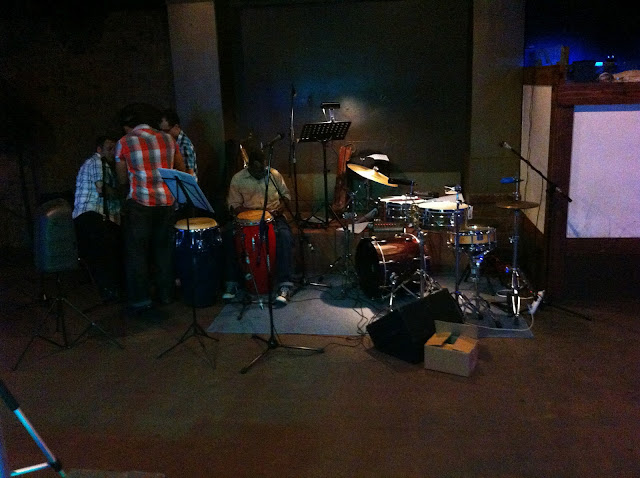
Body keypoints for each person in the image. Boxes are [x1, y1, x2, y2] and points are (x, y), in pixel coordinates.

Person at [115, 105, 186, 313]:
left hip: (140, 203)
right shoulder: (168, 139)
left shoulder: (124, 142)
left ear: (131, 125)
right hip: (166, 203)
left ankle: (141, 299)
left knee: (137, 252)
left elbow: (121, 178)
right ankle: (166, 295)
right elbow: (180, 169)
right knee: (164, 250)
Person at [224, 148, 295, 307]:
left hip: (273, 217)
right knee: (228, 235)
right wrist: (253, 214)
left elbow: (286, 197)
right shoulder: (238, 178)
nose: (260, 173)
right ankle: (232, 281)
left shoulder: (274, 175)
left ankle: (285, 283)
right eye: (255, 170)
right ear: (248, 166)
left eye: (262, 169)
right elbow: (234, 205)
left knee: (284, 236)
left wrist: (279, 209)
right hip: (247, 220)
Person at [72, 135, 123, 301]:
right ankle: (110, 289)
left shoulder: (104, 165)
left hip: (92, 215)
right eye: (109, 148)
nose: (113, 152)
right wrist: (123, 194)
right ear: (99, 149)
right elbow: (102, 188)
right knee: (106, 247)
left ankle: (113, 287)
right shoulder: (96, 161)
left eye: (114, 148)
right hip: (90, 214)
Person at [159, 109, 197, 180]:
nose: (163, 134)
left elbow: (189, 174)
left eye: (166, 131)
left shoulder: (184, 144)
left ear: (176, 127)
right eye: (161, 131)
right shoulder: (173, 141)